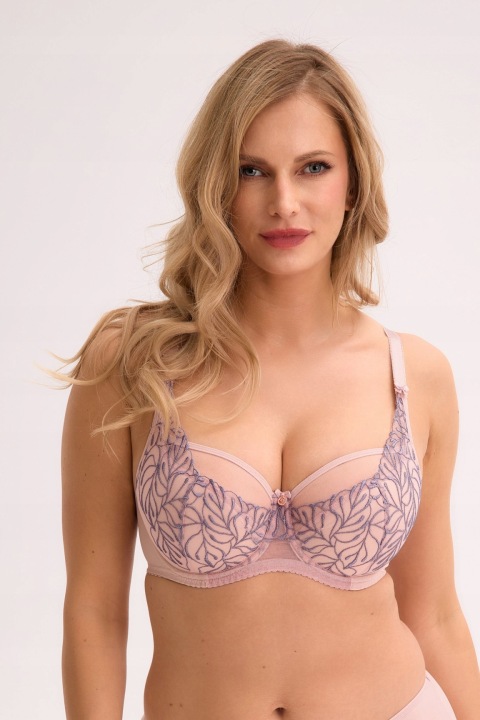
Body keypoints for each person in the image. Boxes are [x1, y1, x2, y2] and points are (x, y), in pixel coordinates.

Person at [60, 39, 480, 719]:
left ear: (352, 183)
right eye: (251, 170)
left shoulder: (415, 376)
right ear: (215, 185)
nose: (284, 202)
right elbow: (94, 610)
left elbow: (434, 614)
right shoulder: (133, 364)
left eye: (313, 167)